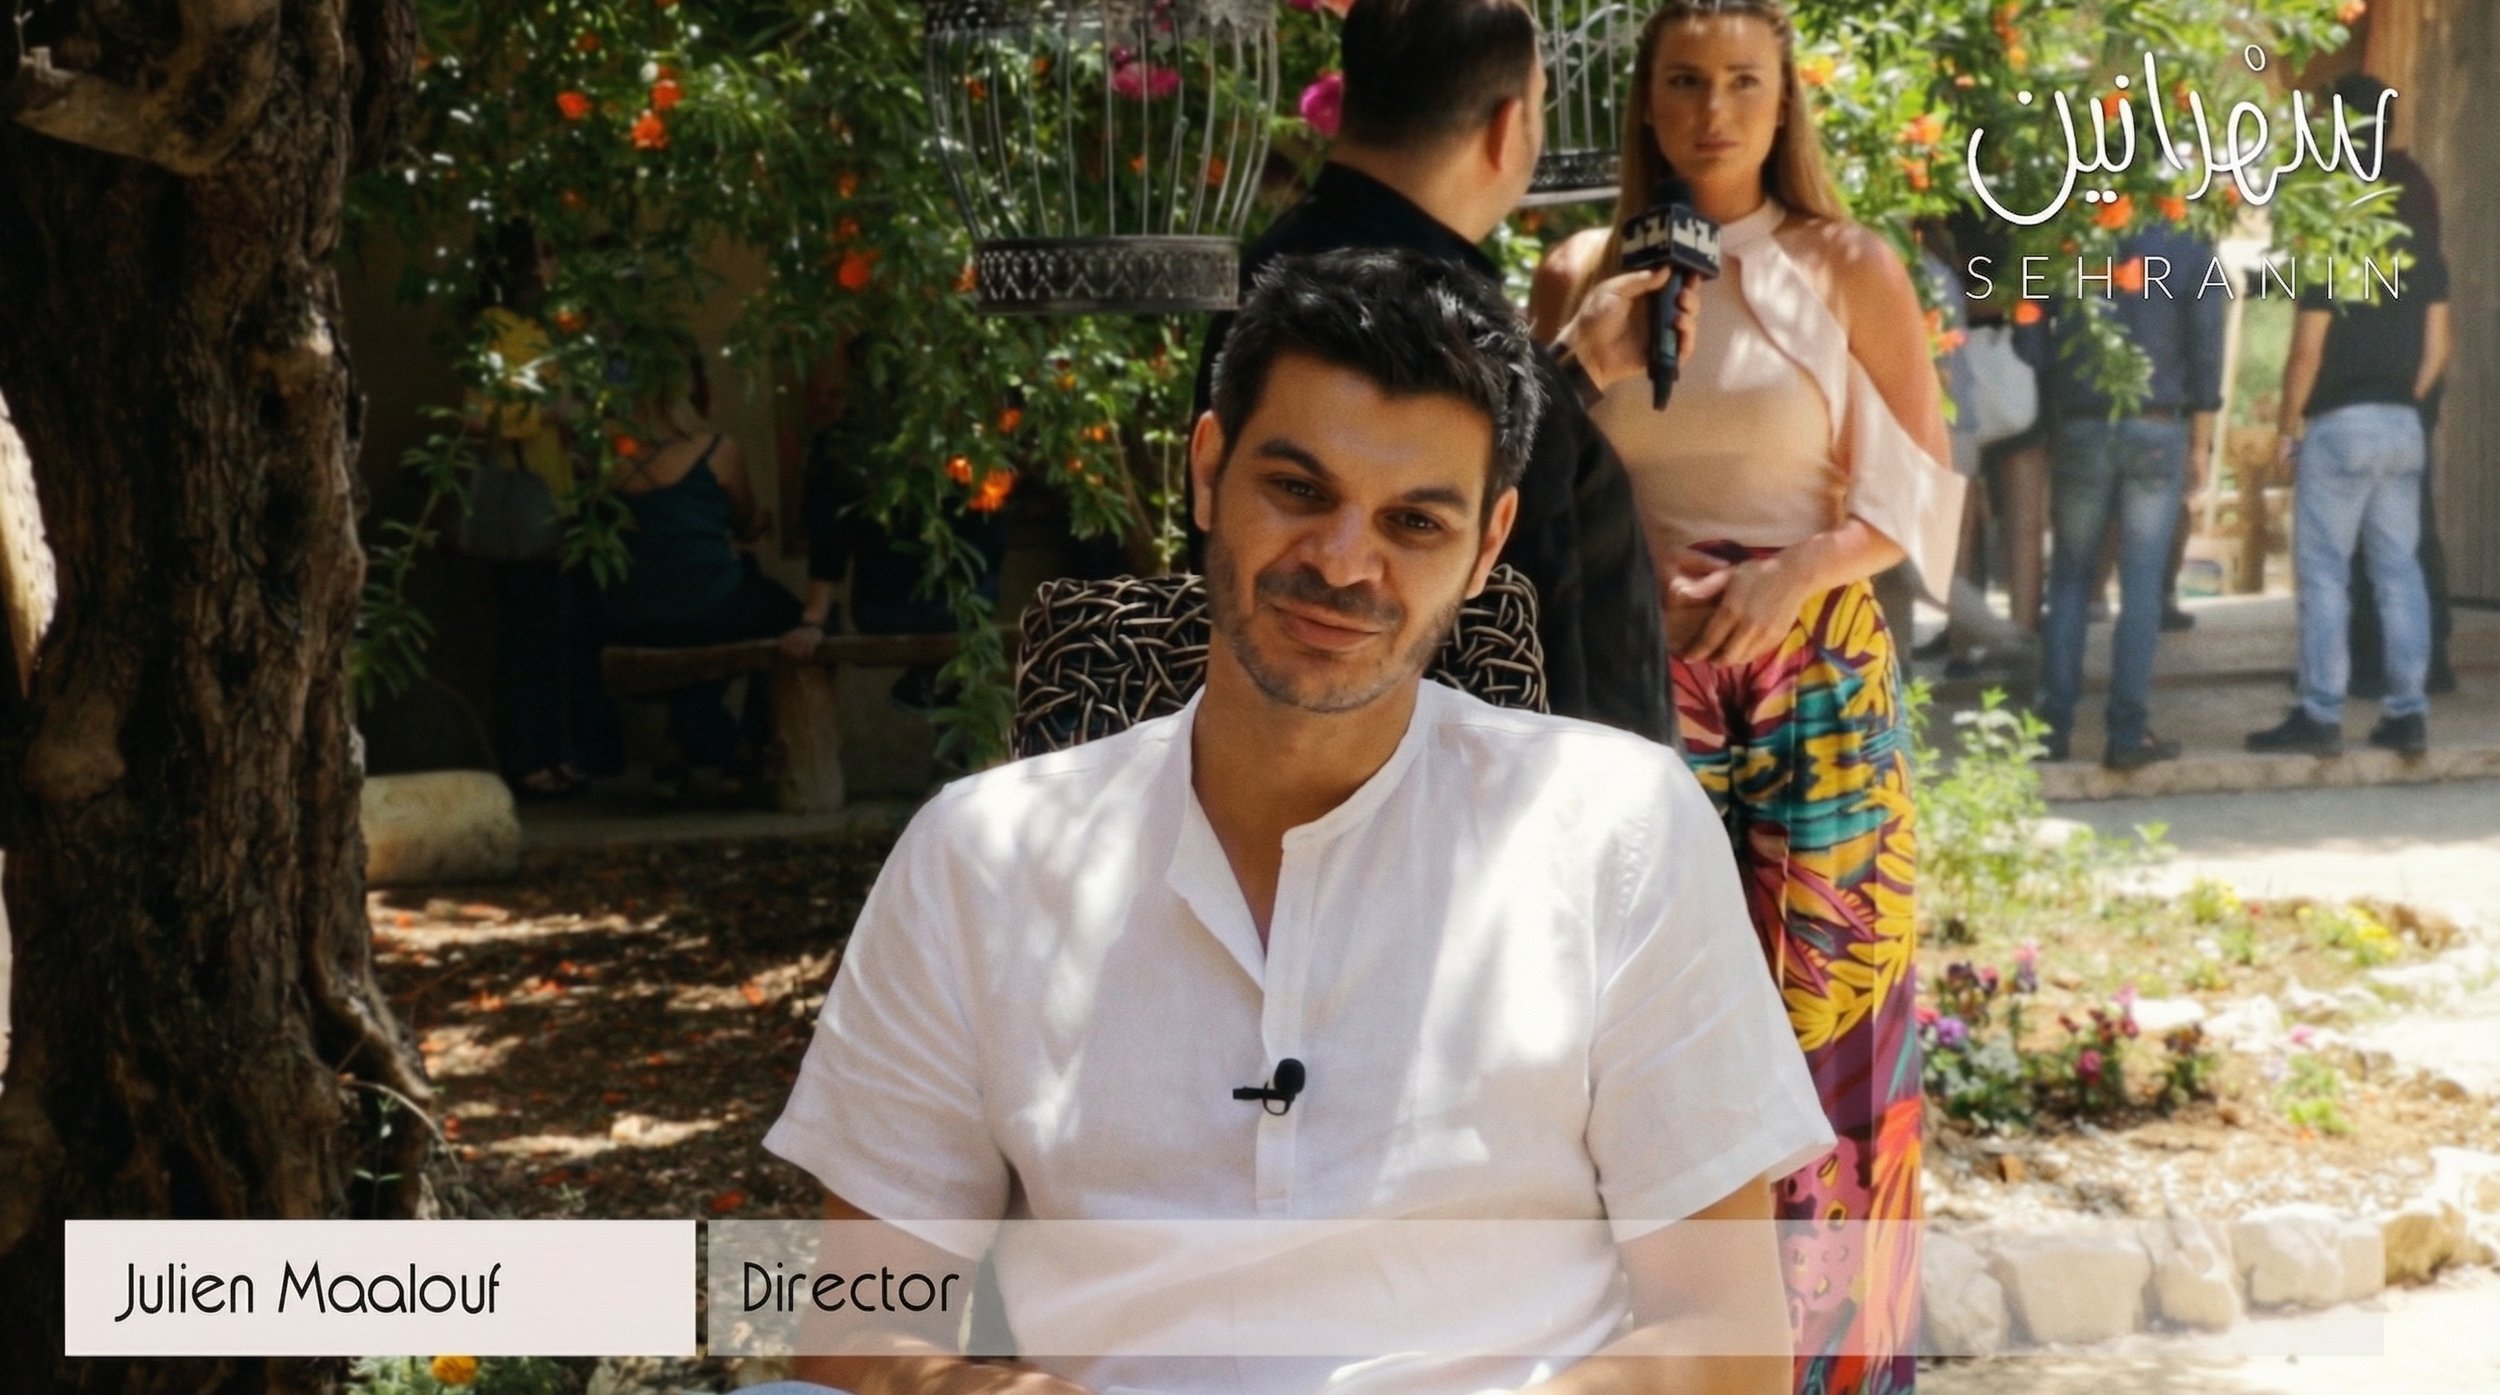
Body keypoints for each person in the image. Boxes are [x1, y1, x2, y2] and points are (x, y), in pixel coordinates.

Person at [767, 250, 1834, 1395]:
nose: (1342, 562)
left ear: (1487, 546)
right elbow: (856, 1326)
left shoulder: (1615, 831)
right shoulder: (979, 859)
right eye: (1298, 490)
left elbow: (1724, 1336)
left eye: (1413, 522)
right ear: (1207, 472)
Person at [1533, 3, 1966, 1390]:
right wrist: (1632, 570)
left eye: (1742, 83)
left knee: (1827, 1027)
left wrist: (1796, 571)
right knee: (1644, 1038)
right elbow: (1529, 488)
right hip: (1633, 689)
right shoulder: (1579, 272)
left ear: (1784, 106)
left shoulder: (1849, 265)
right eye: (1685, 81)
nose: (1713, 110)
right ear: (1645, 103)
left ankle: (1836, 1367)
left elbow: (1919, 495)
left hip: (1816, 683)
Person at [1194, 0, 1691, 746]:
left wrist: (1570, 373)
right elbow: (1526, 652)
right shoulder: (1368, 297)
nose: (1343, 561)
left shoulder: (1279, 270)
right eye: (1299, 490)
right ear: (1507, 127)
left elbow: (1425, 452)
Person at [2247, 75, 2450, 759]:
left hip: (2340, 423)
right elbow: (2441, 346)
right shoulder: (2419, 234)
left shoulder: (2329, 235)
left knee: (2325, 572)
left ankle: (2321, 712)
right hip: (2401, 422)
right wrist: (2403, 400)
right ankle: (2407, 711)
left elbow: (2306, 352)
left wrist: (2288, 429)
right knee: (2399, 572)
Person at [2031, 222, 2226, 770]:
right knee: (2142, 583)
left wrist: (2060, 387)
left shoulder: (2063, 238)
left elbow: (2031, 343)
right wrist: (2201, 443)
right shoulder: (2190, 245)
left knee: (2070, 578)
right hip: (2157, 425)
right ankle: (2127, 732)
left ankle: (2050, 729)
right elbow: (2207, 347)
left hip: (2081, 422)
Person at [463, 220, 622, 796]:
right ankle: (528, 759)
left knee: (562, 634)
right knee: (528, 637)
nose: (555, 266)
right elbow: (477, 415)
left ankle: (560, 755)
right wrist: (547, 414)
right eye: (546, 254)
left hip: (562, 498)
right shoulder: (494, 328)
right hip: (525, 502)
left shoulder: (549, 329)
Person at [606, 344, 802, 787]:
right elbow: (744, 519)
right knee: (796, 620)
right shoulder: (716, 449)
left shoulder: (613, 459)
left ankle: (680, 745)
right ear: (687, 388)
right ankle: (745, 744)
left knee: (721, 608)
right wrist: (758, 524)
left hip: (631, 612)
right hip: (707, 605)